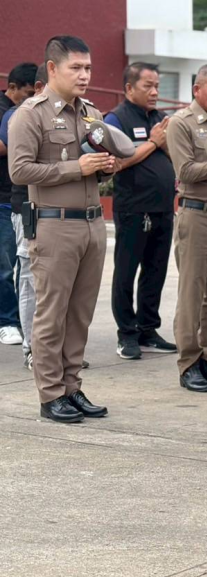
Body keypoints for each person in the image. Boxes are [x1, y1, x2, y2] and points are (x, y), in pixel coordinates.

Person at [9, 36, 126, 423]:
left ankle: (72, 387)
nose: (85, 75)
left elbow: (96, 162)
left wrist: (104, 167)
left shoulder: (91, 112)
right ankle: (50, 394)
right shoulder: (31, 114)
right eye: (76, 68)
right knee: (52, 314)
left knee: (80, 314)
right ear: (52, 69)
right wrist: (77, 167)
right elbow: (20, 170)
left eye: (88, 68)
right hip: (53, 225)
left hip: (92, 223)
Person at [166, 63, 207, 392]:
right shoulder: (182, 123)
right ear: (197, 90)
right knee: (192, 294)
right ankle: (188, 362)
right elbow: (186, 171)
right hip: (196, 214)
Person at [104, 62, 177, 359]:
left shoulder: (160, 118)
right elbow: (116, 162)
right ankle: (127, 334)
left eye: (157, 86)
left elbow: (174, 155)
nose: (155, 92)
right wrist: (152, 142)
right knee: (126, 273)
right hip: (133, 210)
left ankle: (148, 329)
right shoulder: (115, 119)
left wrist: (166, 144)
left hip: (163, 209)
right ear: (129, 88)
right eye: (148, 86)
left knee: (155, 272)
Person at [1, 65, 46, 362]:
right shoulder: (16, 114)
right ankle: (16, 330)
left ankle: (50, 344)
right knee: (18, 270)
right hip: (17, 202)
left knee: (48, 279)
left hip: (48, 206)